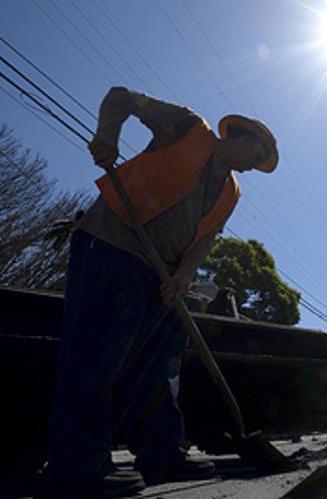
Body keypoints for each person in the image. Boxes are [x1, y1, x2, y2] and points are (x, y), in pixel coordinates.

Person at [42, 86, 278, 496]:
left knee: (159, 366)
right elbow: (122, 98)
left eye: (259, 164)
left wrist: (185, 275)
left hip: (162, 277)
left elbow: (206, 239)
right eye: (255, 156)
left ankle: (162, 454)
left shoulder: (232, 192)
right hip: (112, 245)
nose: (253, 167)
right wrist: (107, 136)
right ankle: (75, 465)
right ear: (240, 135)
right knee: (95, 355)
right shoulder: (188, 127)